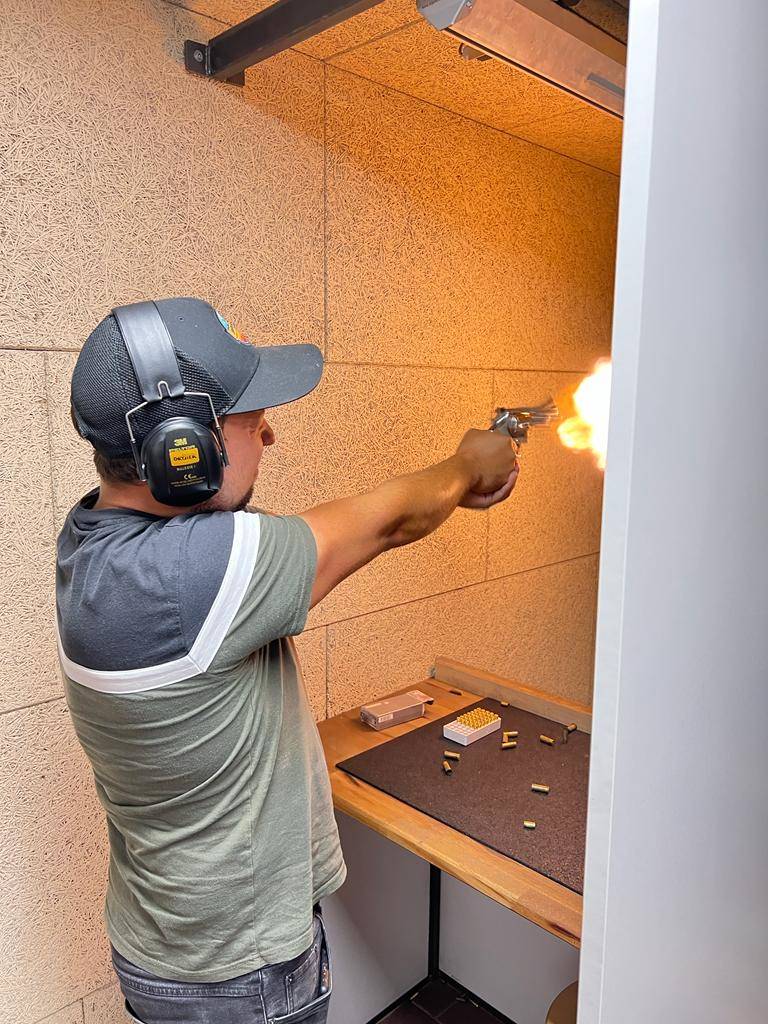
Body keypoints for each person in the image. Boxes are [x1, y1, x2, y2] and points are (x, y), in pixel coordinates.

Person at [56, 297, 519, 1024]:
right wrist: (471, 462)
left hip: (164, 947)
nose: (268, 433)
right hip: (241, 976)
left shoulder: (89, 542)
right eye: (248, 418)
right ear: (180, 449)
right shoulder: (190, 576)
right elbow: (392, 519)